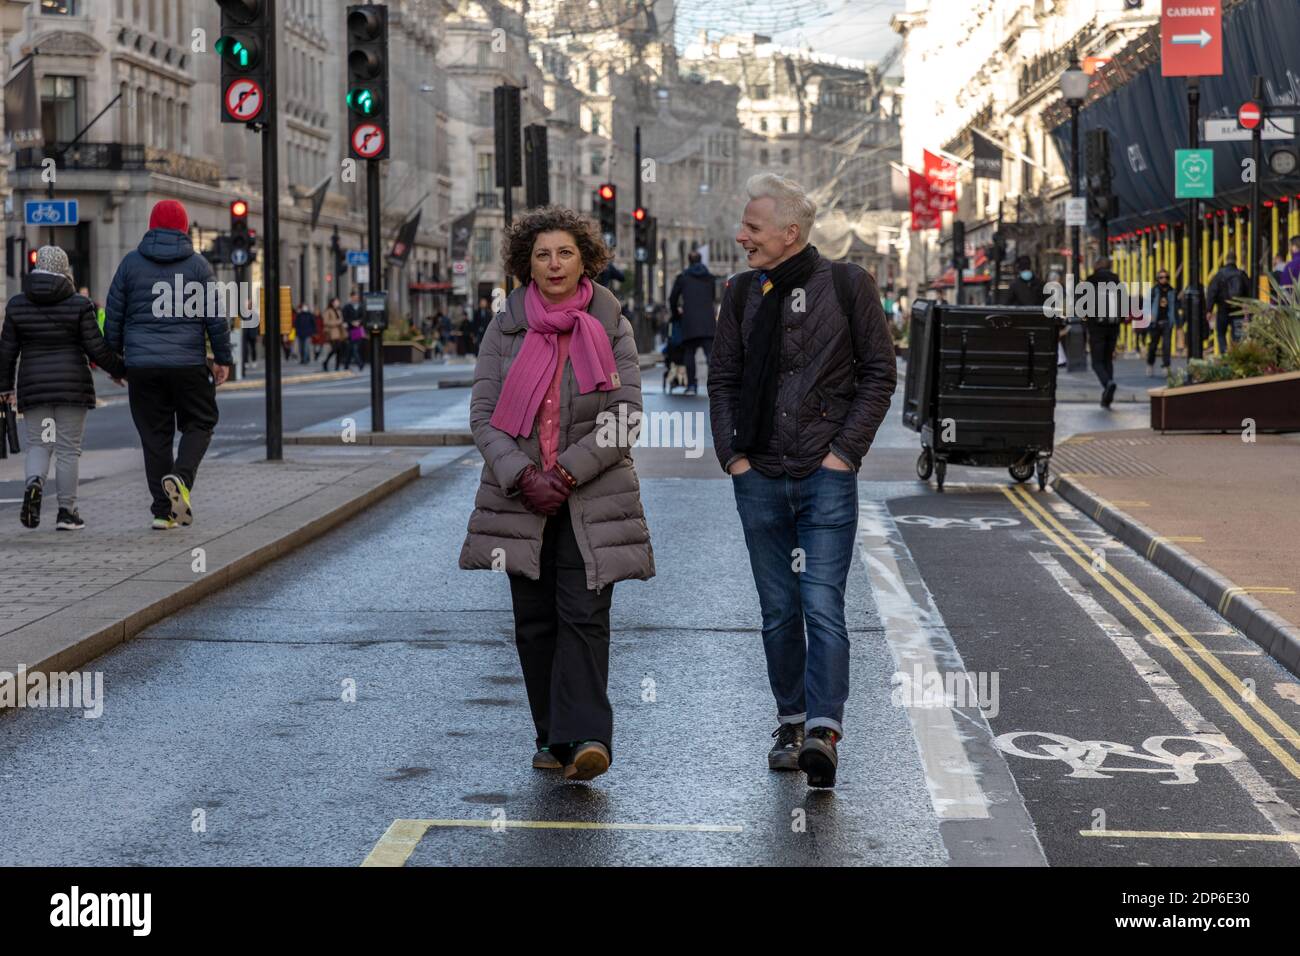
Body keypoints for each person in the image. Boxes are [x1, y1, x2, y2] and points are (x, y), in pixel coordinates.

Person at [710, 172, 896, 789]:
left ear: (790, 233)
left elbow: (879, 373)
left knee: (821, 604)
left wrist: (845, 453)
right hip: (758, 472)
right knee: (777, 611)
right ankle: (791, 722)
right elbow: (724, 383)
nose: (741, 237)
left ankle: (823, 730)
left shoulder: (848, 285)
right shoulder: (740, 293)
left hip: (825, 474)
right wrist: (733, 458)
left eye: (752, 228)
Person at [459, 205, 653, 783]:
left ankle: (589, 737)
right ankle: (550, 736)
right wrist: (522, 475)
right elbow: (484, 415)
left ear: (584, 259)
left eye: (565, 252)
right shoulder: (505, 325)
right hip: (521, 498)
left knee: (585, 616)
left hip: (590, 497)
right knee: (535, 622)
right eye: (542, 254)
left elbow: (625, 415)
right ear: (527, 263)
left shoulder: (610, 322)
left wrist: (564, 475)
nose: (554, 264)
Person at [104, 199, 233, 530]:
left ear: (151, 225)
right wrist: (222, 359)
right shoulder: (198, 266)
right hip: (188, 363)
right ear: (184, 228)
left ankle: (163, 512)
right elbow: (215, 319)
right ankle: (181, 478)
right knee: (200, 422)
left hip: (143, 366)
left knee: (155, 436)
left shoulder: (130, 265)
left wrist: (116, 365)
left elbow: (114, 317)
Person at [0, 246, 126, 530]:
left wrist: (4, 386)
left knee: (40, 444)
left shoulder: (18, 304)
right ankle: (67, 513)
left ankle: (34, 484)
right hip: (72, 388)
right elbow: (97, 349)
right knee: (68, 450)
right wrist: (120, 371)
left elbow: (6, 351)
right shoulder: (78, 305)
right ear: (64, 270)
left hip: (35, 388)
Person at [669, 250, 718, 396]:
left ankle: (691, 385)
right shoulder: (710, 278)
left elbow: (672, 298)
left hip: (689, 320)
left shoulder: (683, 277)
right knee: (710, 355)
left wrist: (676, 313)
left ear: (689, 261)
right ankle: (715, 386)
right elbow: (713, 296)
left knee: (689, 354)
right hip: (708, 321)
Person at [1084, 257, 1123, 408]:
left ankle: (1108, 383)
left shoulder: (1090, 282)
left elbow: (1082, 306)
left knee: (1096, 362)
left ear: (1096, 266)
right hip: (1113, 326)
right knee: (1107, 359)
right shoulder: (1117, 282)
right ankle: (1108, 394)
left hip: (1096, 327)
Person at [1206, 252, 1250, 355]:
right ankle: (1235, 356)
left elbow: (1212, 292)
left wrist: (1209, 309)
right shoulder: (1241, 274)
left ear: (1226, 260)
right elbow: (1249, 291)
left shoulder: (1219, 275)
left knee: (1221, 333)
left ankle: (1224, 353)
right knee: (1237, 336)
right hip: (1237, 309)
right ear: (1236, 259)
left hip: (1223, 309)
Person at [1145, 268, 1178, 376]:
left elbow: (1174, 307)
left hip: (1167, 322)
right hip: (1155, 322)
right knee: (1153, 345)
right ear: (1157, 278)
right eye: (1161, 277)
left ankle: (1166, 366)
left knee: (1167, 346)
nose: (1164, 279)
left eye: (1166, 277)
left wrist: (1175, 321)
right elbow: (1147, 305)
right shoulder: (1154, 290)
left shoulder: (1172, 291)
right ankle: (1150, 364)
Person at [321, 297, 347, 371]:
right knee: (335, 349)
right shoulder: (328, 311)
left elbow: (341, 320)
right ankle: (325, 362)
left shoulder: (339, 311)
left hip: (339, 333)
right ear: (332, 303)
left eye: (338, 302)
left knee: (339, 350)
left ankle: (337, 366)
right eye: (336, 302)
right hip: (332, 333)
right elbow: (326, 322)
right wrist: (338, 322)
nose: (337, 303)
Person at [342, 290, 366, 370]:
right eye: (354, 297)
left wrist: (359, 322)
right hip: (350, 330)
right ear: (351, 297)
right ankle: (359, 363)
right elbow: (344, 318)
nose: (356, 298)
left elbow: (364, 317)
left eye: (357, 297)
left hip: (358, 330)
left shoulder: (361, 306)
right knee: (351, 348)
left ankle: (350, 364)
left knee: (354, 348)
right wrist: (351, 322)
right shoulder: (347, 307)